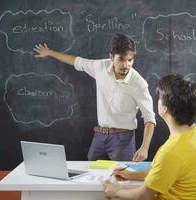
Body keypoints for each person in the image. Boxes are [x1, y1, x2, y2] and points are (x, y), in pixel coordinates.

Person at [33, 33, 156, 161]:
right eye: (121, 59)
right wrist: (49, 52)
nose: (126, 65)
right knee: (91, 174)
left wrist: (144, 148)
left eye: (129, 60)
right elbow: (77, 61)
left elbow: (150, 118)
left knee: (122, 178)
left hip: (123, 139)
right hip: (100, 136)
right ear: (111, 57)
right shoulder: (100, 67)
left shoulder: (139, 84)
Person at [103, 74, 196, 200]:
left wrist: (116, 191)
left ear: (165, 109)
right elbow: (165, 172)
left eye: (160, 98)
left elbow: (142, 196)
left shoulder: (171, 152)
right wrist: (131, 175)